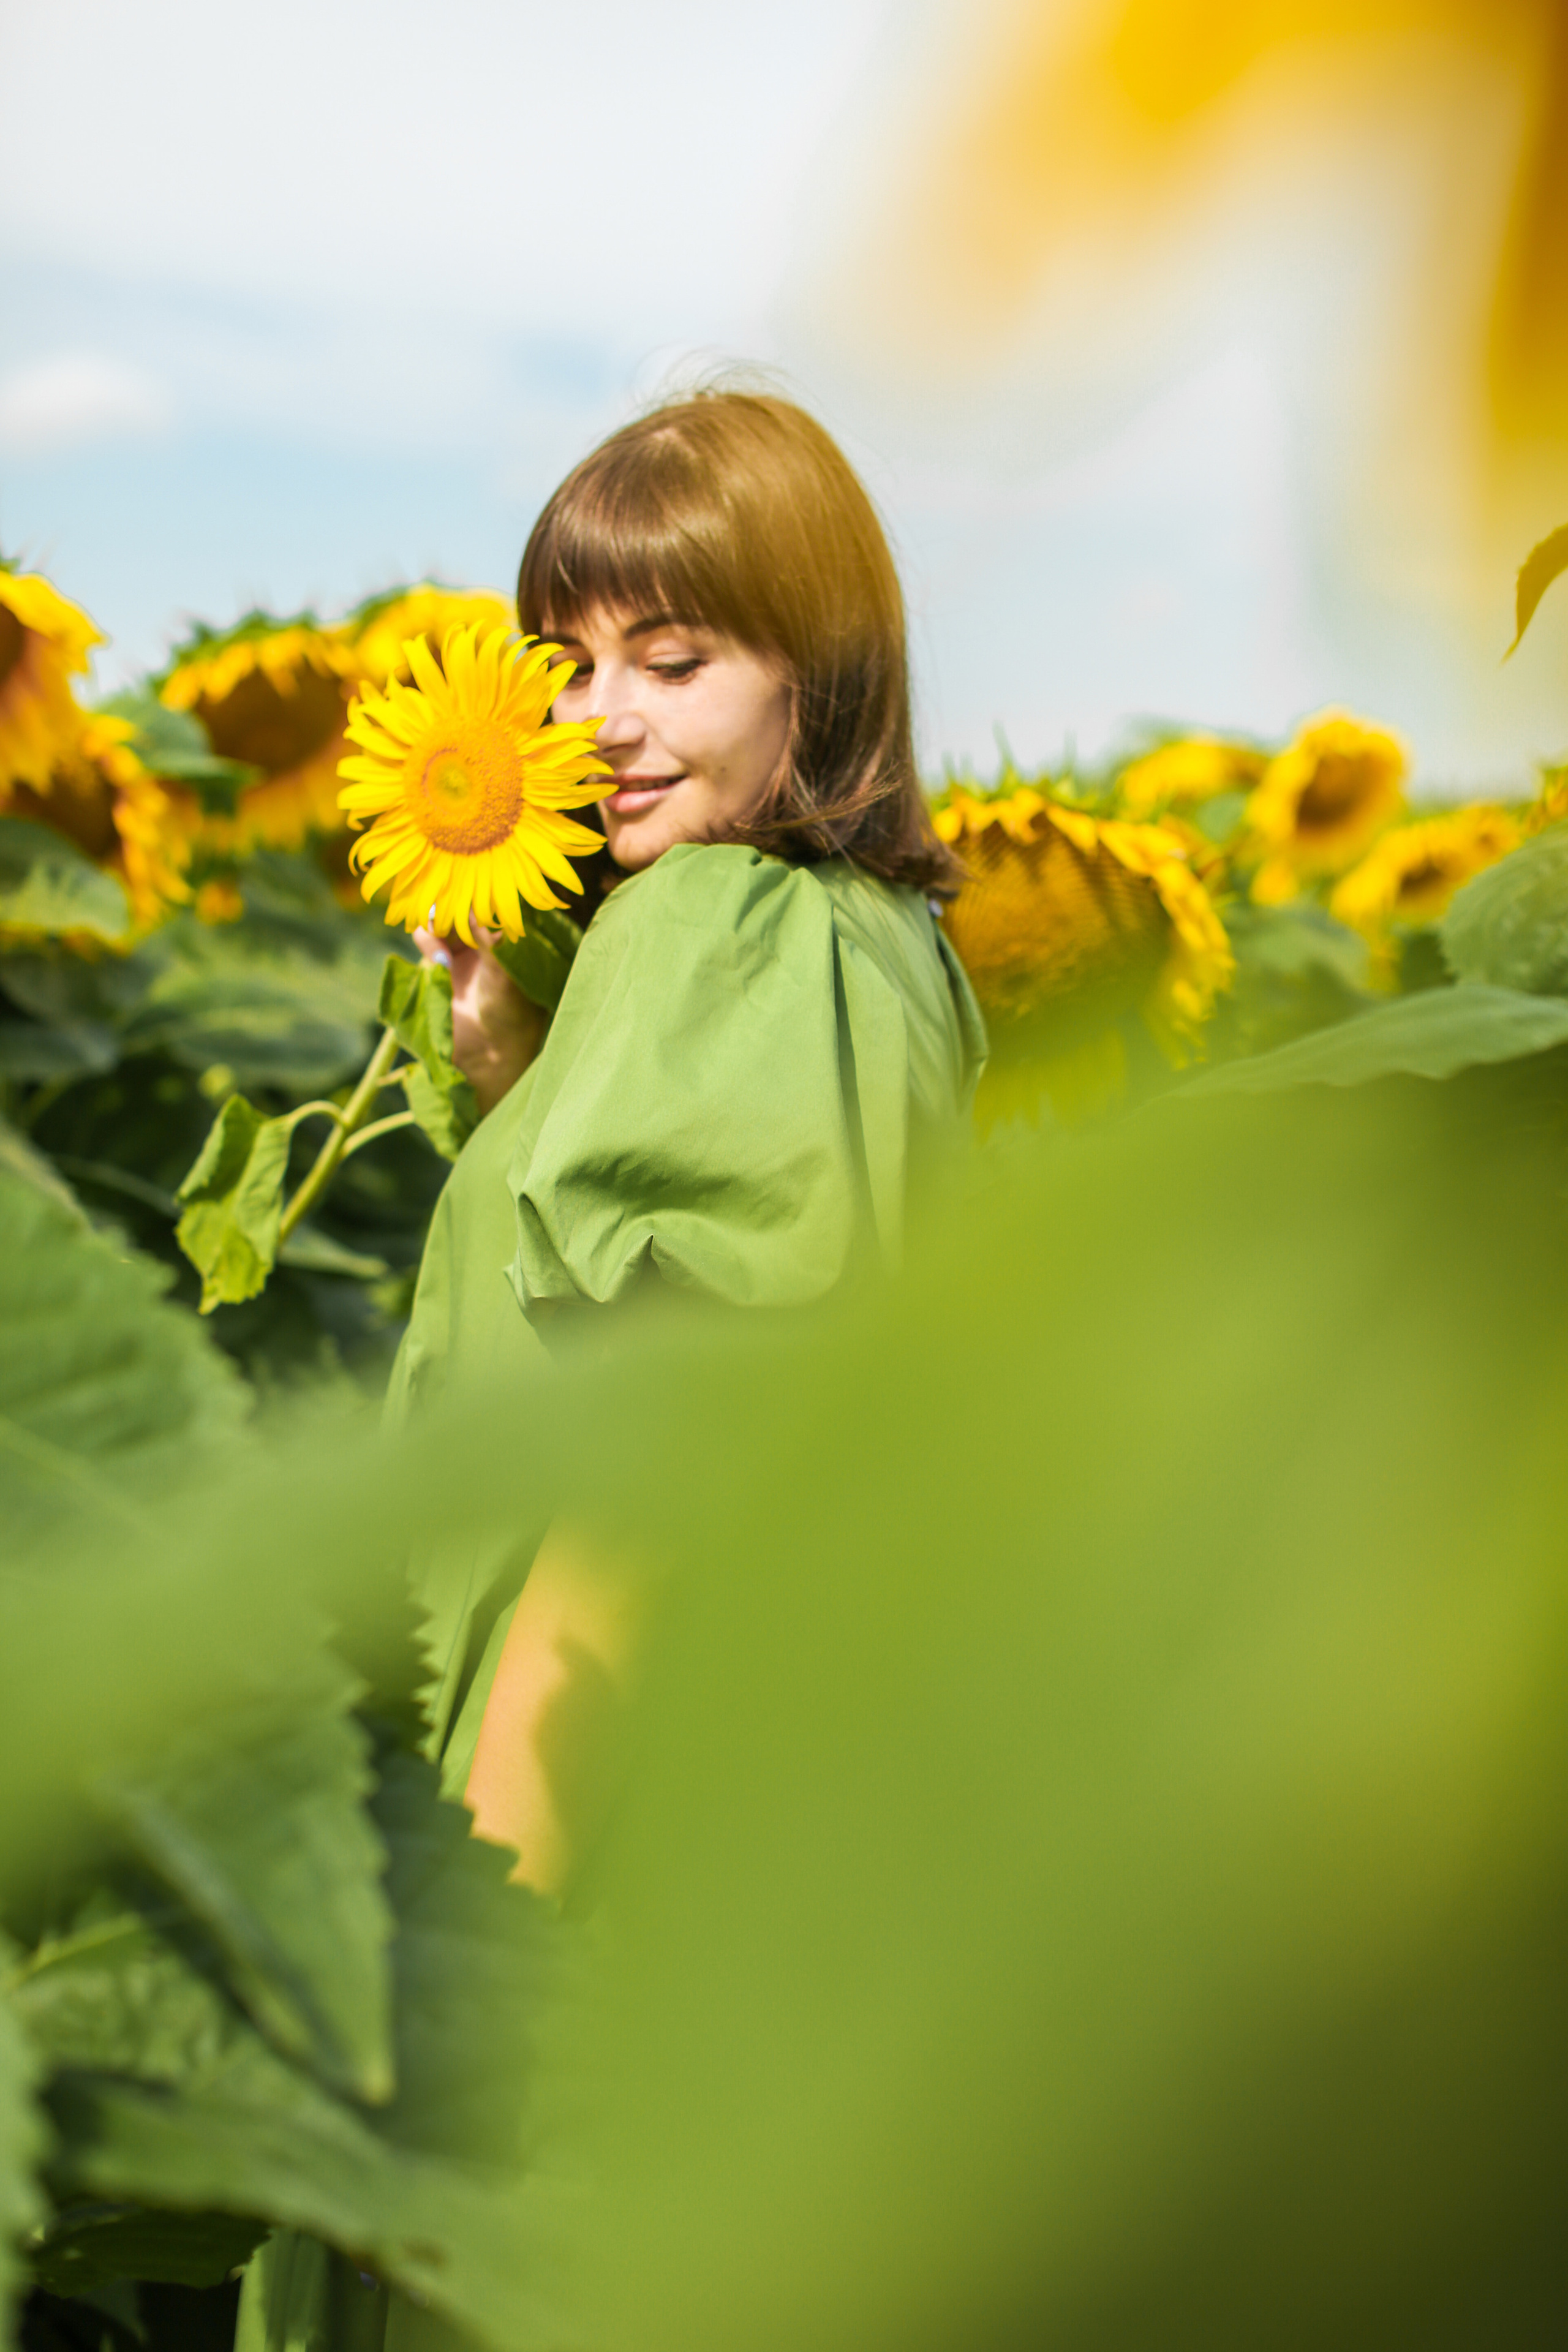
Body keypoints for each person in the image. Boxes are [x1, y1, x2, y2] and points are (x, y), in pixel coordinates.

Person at [388, 385, 987, 1888]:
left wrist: (489, 1920)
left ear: (819, 673)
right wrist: (526, 1065)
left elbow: (644, 1484)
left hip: (588, 1824)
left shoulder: (713, 919)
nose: (600, 726)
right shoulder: (879, 938)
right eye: (567, 669)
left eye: (672, 661)